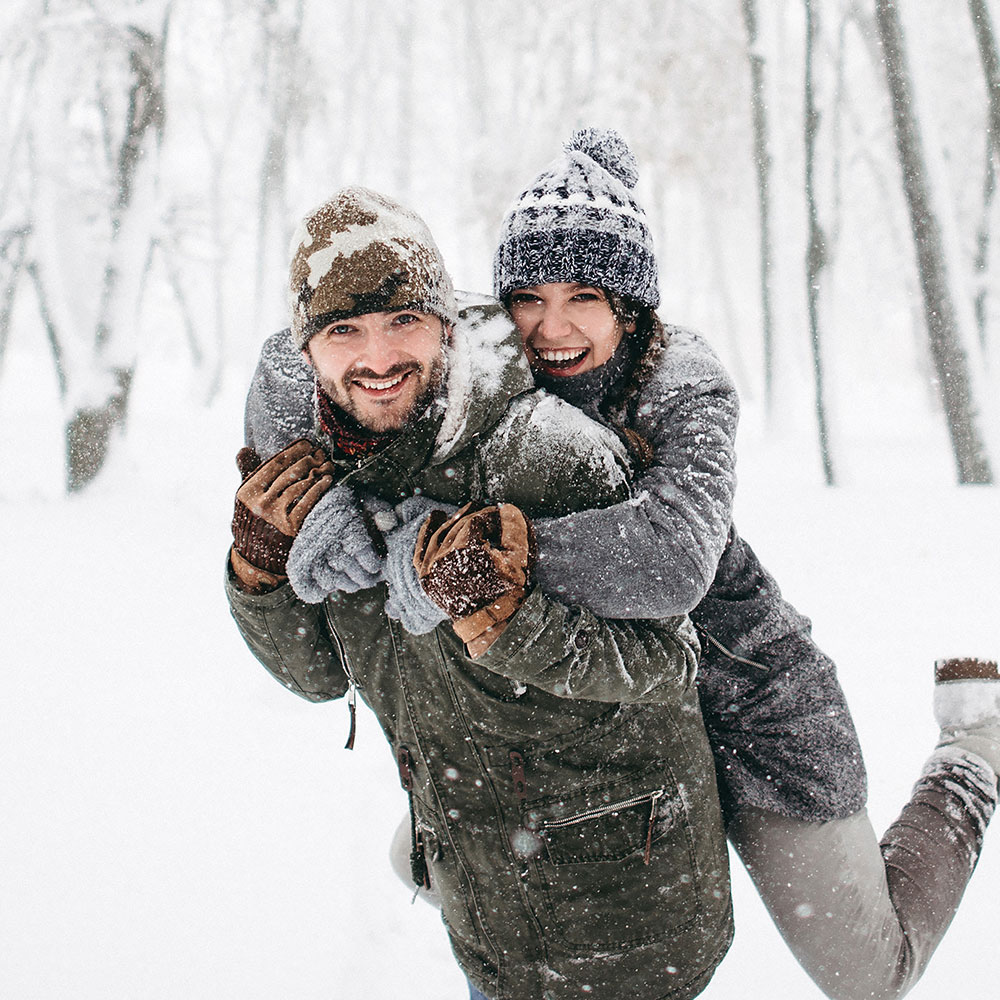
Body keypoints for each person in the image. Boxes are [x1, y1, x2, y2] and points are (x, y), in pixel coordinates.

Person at [243, 132, 1000, 1000]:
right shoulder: (468, 354)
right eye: (526, 296)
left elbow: (672, 562)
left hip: (740, 690)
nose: (549, 328)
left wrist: (470, 558)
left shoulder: (684, 385)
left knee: (870, 972)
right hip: (617, 729)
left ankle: (973, 751)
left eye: (584, 298)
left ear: (631, 306)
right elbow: (293, 353)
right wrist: (333, 524)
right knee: (432, 853)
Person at [226, 186, 735, 1000]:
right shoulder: (329, 492)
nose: (379, 356)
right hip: (487, 911)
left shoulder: (548, 456)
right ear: (307, 349)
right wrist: (259, 576)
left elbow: (669, 664)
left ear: (445, 322)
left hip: (625, 917)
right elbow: (319, 677)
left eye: (403, 321)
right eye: (343, 329)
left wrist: (510, 619)